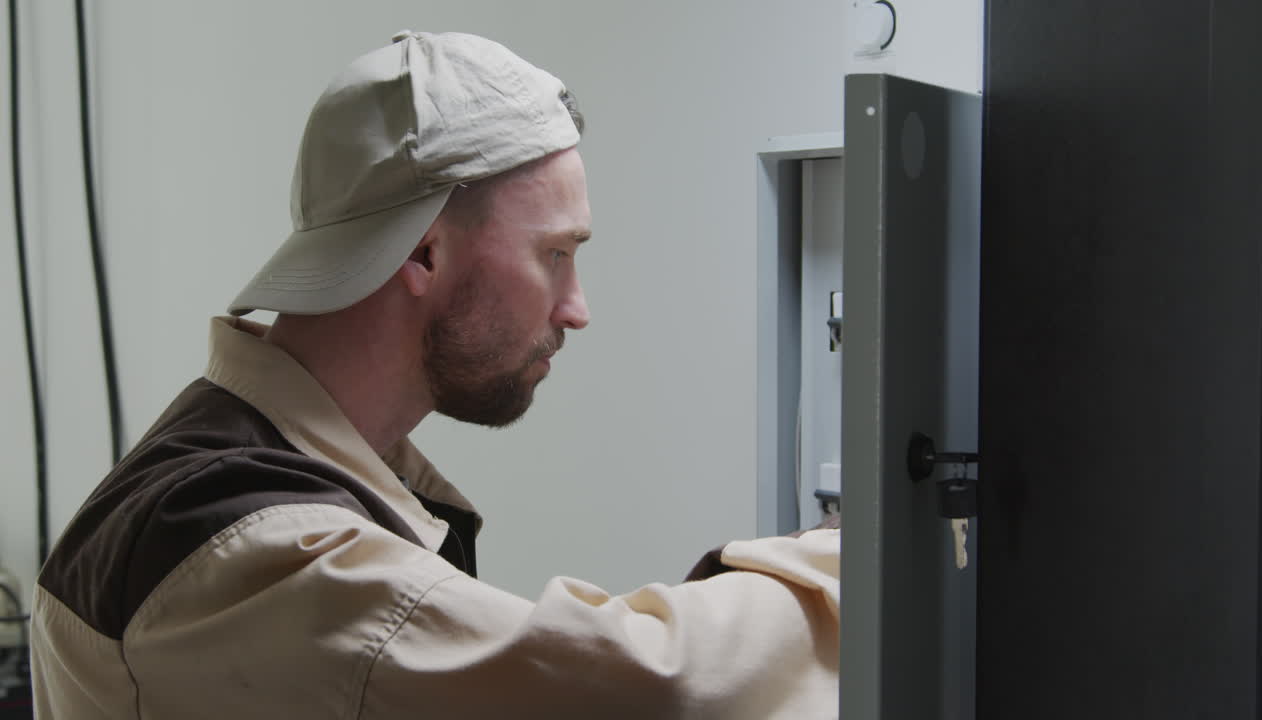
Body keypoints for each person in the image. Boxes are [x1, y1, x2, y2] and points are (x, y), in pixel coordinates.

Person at [28, 30, 840, 718]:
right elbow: (643, 685)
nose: (576, 308)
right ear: (422, 252)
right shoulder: (247, 542)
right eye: (554, 255)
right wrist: (856, 559)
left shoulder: (247, 467)